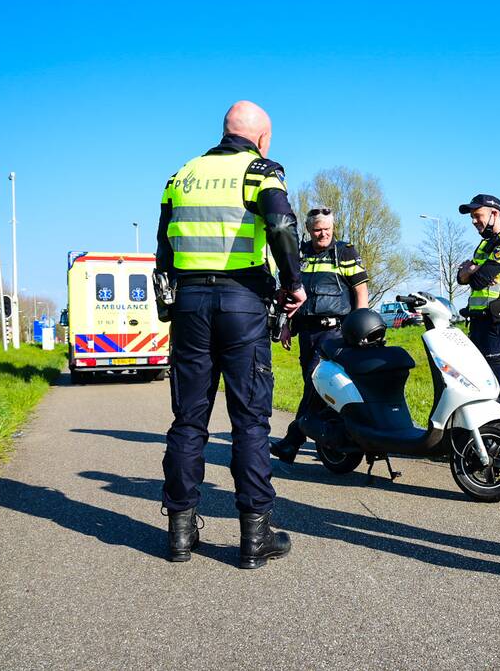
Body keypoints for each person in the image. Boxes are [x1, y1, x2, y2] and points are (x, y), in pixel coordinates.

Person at [156, 100, 306, 568]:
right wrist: (293, 283)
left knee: (189, 421)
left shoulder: (181, 175)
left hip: (190, 304)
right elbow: (281, 224)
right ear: (261, 137)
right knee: (250, 422)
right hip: (242, 303)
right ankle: (254, 538)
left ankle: (180, 534)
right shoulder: (260, 171)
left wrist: (171, 296)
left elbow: (163, 245)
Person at [271, 206, 369, 463]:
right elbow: (289, 294)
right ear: (308, 230)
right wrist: (285, 326)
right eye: (317, 230)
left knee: (316, 382)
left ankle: (293, 440)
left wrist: (361, 326)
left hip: (335, 333)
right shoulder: (300, 255)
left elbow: (360, 291)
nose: (323, 234)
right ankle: (332, 438)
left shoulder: (345, 252)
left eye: (327, 229)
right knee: (314, 385)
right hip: (307, 333)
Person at [456, 194, 500, 413]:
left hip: (497, 324)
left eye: (477, 216)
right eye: (472, 217)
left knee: (496, 386)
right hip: (480, 323)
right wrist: (472, 271)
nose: (474, 221)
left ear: (494, 214)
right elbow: (460, 278)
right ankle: (486, 438)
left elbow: (477, 279)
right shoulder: (485, 246)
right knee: (478, 384)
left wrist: (473, 271)